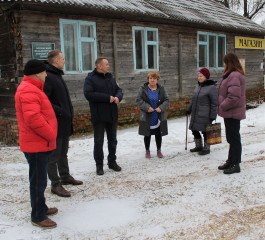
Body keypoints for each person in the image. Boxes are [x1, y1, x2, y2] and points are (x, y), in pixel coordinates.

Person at [15, 59, 58, 229]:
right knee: (38, 181)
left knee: (40, 179)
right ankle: (38, 216)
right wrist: (50, 134)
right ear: (37, 73)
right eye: (44, 71)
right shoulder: (28, 90)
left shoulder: (32, 88)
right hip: (37, 143)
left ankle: (41, 207)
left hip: (39, 143)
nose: (46, 74)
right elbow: (33, 118)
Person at [44, 50, 83, 197]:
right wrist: (60, 111)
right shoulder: (48, 76)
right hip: (56, 122)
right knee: (54, 155)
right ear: (55, 61)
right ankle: (55, 184)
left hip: (64, 122)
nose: (64, 61)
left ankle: (65, 176)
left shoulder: (57, 75)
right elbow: (45, 101)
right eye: (62, 59)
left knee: (63, 152)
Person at [84, 57, 123, 175]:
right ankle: (99, 165)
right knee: (99, 141)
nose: (108, 66)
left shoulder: (110, 77)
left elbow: (119, 90)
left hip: (112, 115)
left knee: (112, 141)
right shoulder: (90, 78)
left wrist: (118, 97)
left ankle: (112, 162)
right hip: (99, 115)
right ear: (99, 66)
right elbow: (88, 94)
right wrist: (107, 98)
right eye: (106, 64)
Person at [217, 52, 246, 174]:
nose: (224, 64)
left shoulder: (234, 75)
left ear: (229, 63)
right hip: (230, 113)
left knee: (233, 138)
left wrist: (223, 105)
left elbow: (234, 97)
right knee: (231, 138)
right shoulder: (231, 75)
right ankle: (231, 160)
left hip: (232, 112)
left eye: (225, 62)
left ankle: (235, 164)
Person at [136, 71, 170, 158]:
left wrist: (161, 108)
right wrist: (147, 107)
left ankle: (159, 150)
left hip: (158, 115)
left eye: (154, 78)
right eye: (150, 78)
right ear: (148, 79)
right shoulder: (143, 89)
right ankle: (147, 151)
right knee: (147, 134)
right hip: (147, 115)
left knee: (158, 133)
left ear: (157, 79)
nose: (152, 80)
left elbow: (167, 100)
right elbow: (138, 100)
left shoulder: (161, 89)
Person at [186, 68, 218, 155]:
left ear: (206, 77)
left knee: (205, 131)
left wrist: (213, 115)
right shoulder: (198, 86)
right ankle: (198, 146)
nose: (199, 78)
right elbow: (194, 99)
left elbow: (214, 103)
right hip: (196, 113)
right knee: (194, 129)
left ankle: (206, 148)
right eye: (198, 76)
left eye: (201, 76)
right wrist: (189, 108)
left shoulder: (211, 88)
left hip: (205, 114)